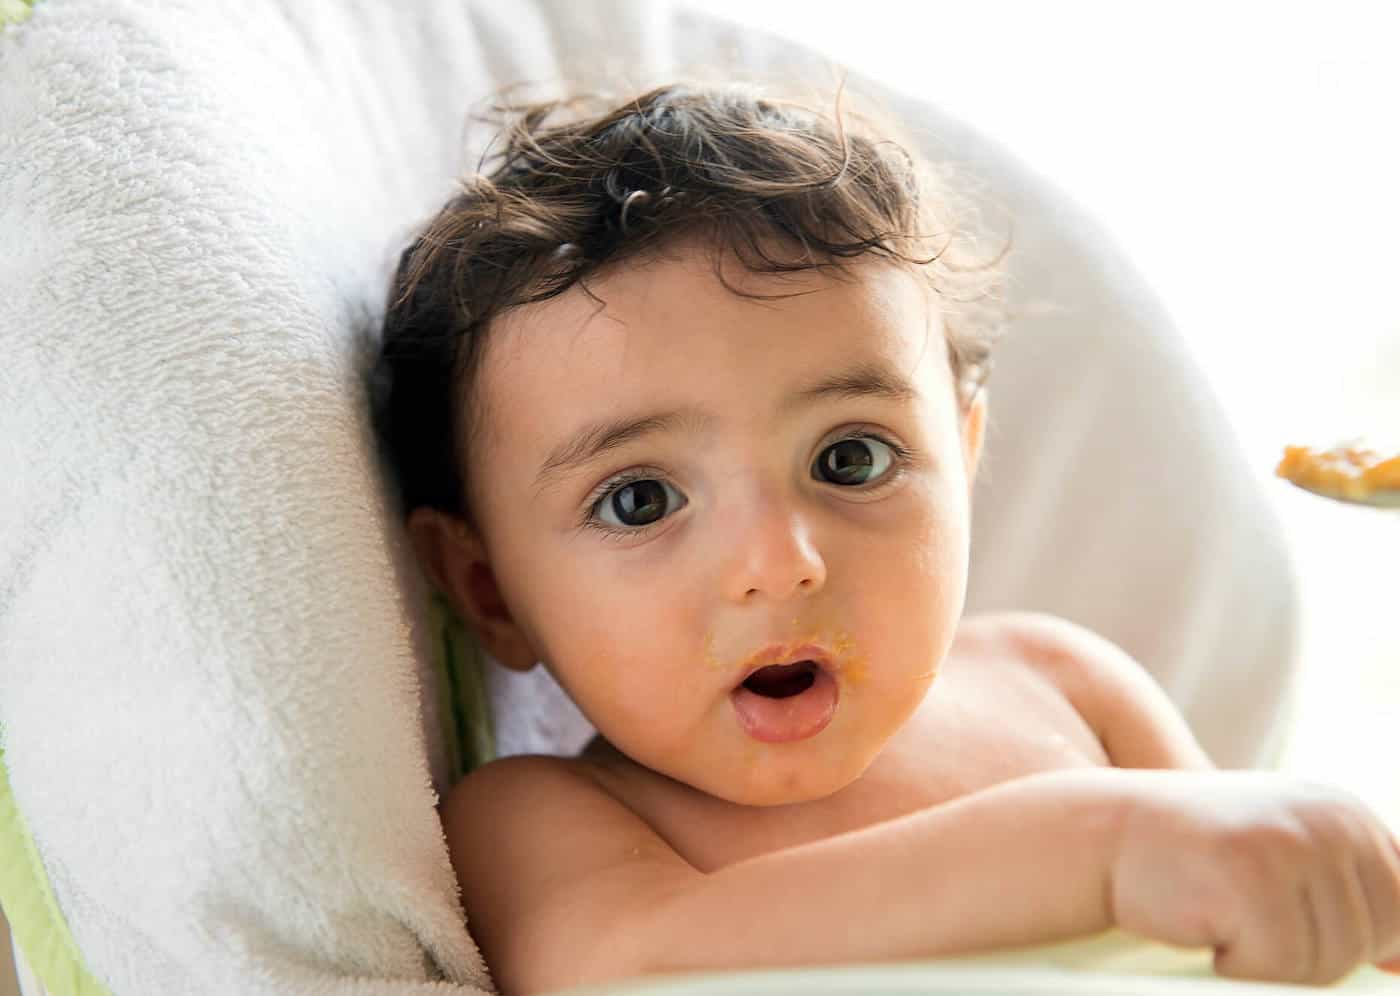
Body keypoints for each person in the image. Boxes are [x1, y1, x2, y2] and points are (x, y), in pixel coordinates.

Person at [371, 82, 1400, 995]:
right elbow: (624, 965)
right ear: (489, 588)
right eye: (640, 500)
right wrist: (1102, 847)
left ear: (960, 452)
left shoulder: (1064, 681)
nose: (780, 562)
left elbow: (1265, 908)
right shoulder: (543, 818)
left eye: (848, 459)